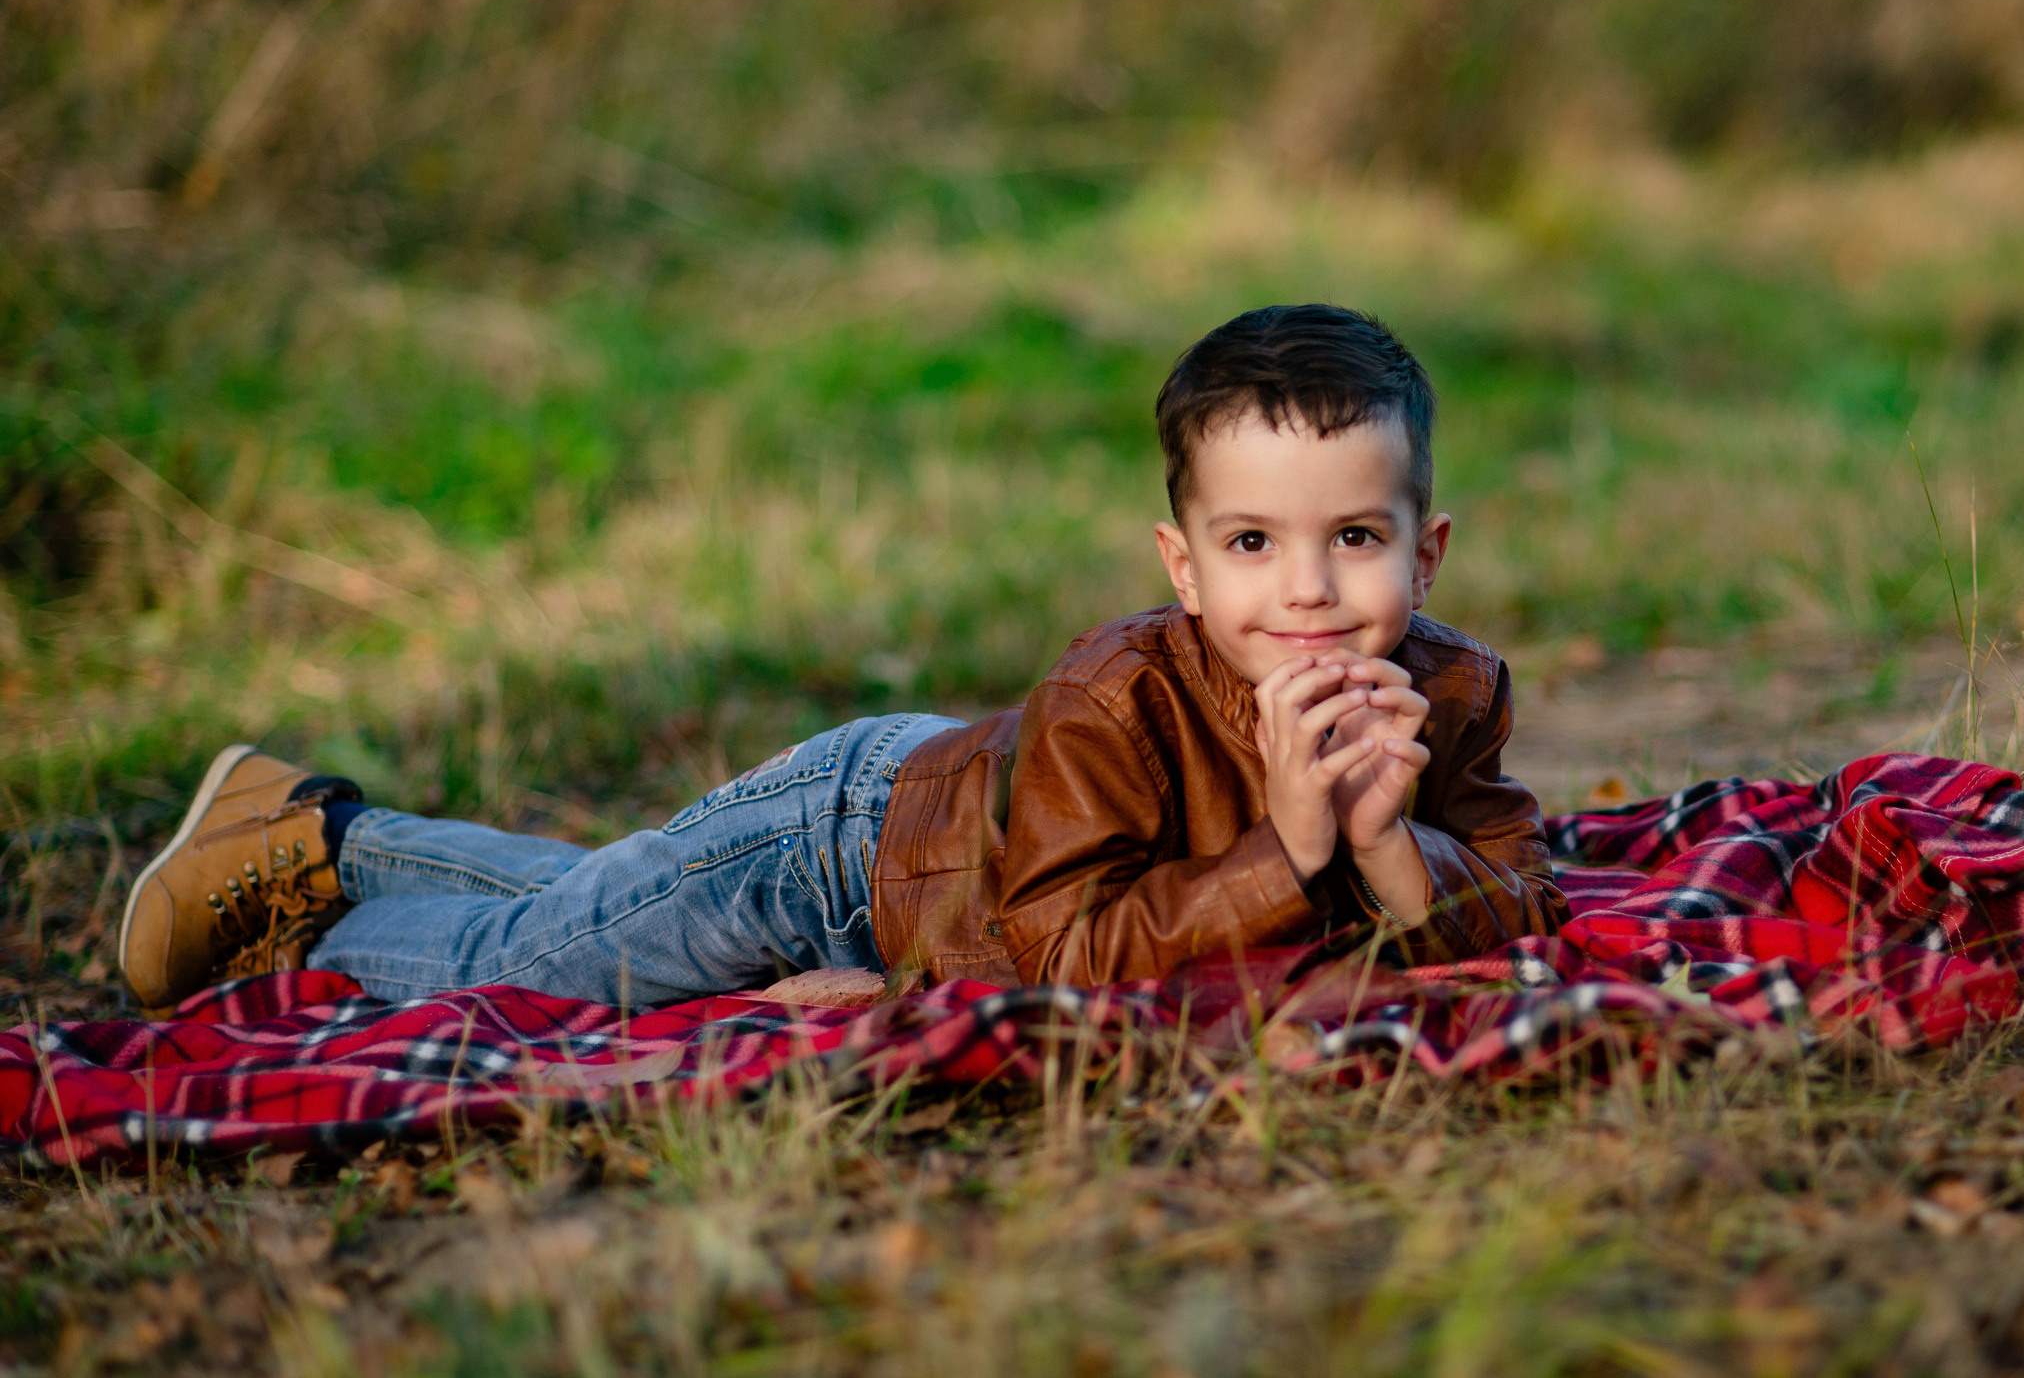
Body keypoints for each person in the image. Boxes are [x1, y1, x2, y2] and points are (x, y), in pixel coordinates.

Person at [116, 304, 1568, 1010]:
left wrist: (1386, 846)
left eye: (1354, 539)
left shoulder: (1449, 693)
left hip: (936, 854)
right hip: (842, 848)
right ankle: (300, 932)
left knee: (588, 892)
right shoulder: (1113, 699)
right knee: (538, 967)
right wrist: (1287, 846)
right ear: (1182, 565)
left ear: (1426, 550)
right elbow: (1061, 955)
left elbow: (1518, 901)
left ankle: (318, 830)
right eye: (1252, 542)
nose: (1307, 591)